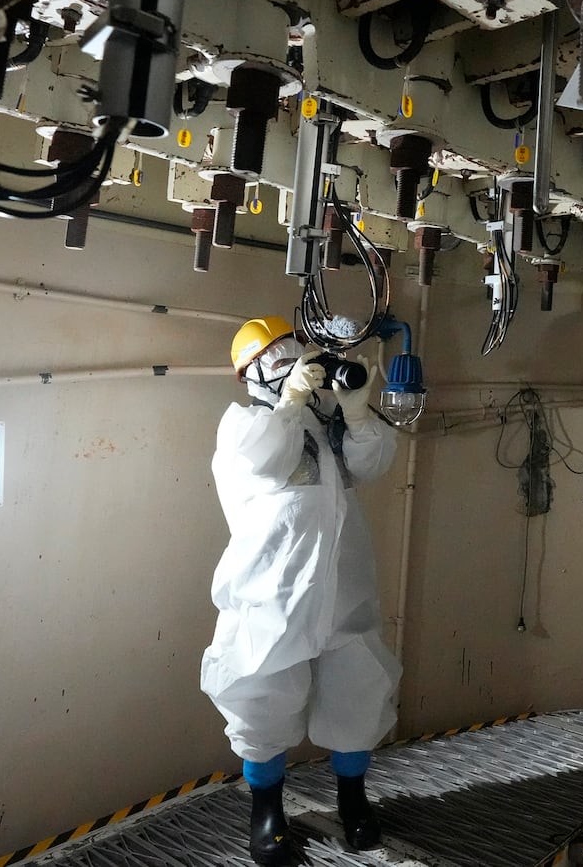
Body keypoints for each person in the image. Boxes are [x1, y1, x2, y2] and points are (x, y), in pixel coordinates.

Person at [200, 316, 403, 865]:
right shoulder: (245, 424)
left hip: (344, 583)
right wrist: (289, 404)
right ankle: (265, 813)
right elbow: (263, 462)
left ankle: (353, 801)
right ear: (249, 374)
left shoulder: (326, 420)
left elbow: (374, 463)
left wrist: (357, 411)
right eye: (273, 354)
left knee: (356, 686)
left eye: (293, 348)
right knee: (263, 691)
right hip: (274, 588)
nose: (289, 359)